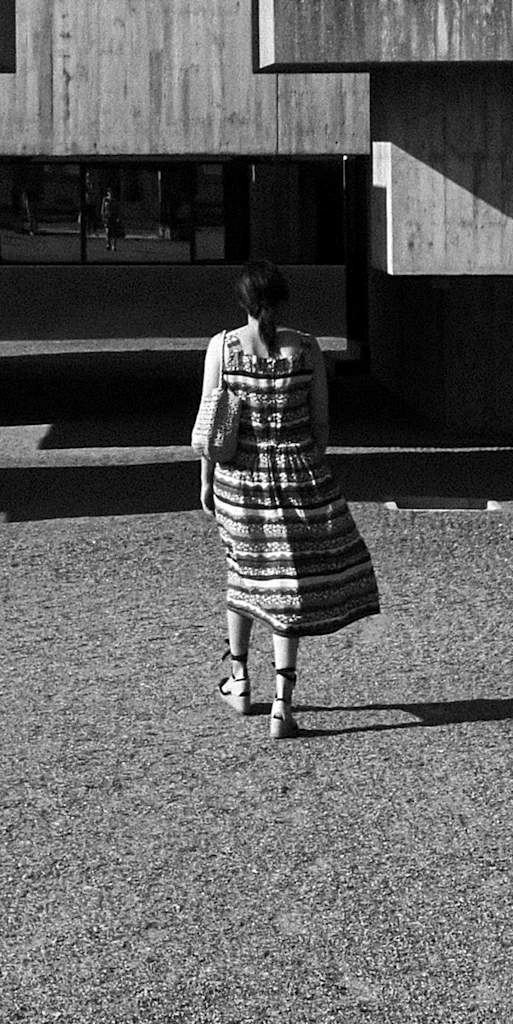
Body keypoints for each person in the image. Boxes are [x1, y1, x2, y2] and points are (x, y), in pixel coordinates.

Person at [191, 258, 379, 740]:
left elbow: (211, 426)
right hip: (300, 479)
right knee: (286, 586)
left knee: (245, 574)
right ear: (282, 299)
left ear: (243, 302)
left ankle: (239, 681)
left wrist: (208, 480)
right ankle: (282, 703)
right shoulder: (309, 349)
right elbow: (321, 426)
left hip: (240, 482)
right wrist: (303, 466)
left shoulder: (223, 347)